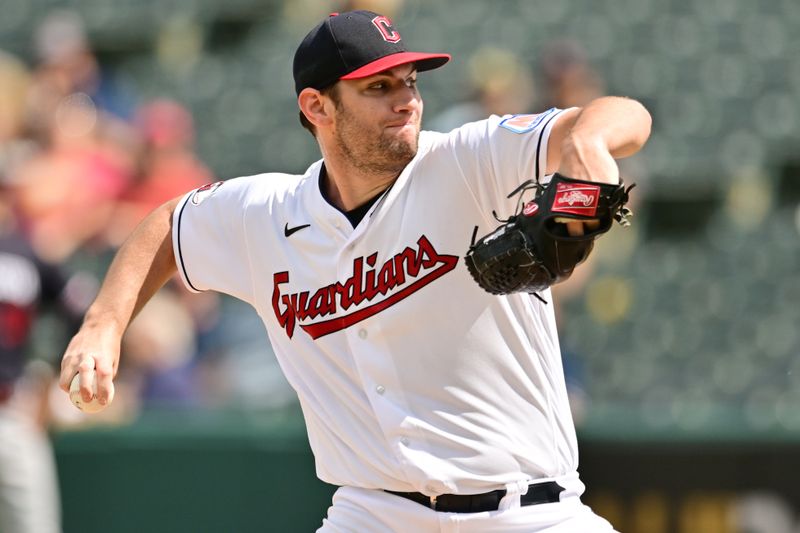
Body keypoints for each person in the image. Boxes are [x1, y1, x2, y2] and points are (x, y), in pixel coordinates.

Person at [59, 10, 651, 532]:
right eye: (379, 86)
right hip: (375, 513)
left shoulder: (467, 160)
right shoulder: (267, 216)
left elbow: (623, 115)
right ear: (317, 106)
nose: (407, 100)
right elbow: (168, 225)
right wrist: (104, 325)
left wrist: (590, 144)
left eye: (411, 83)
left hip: (529, 513)